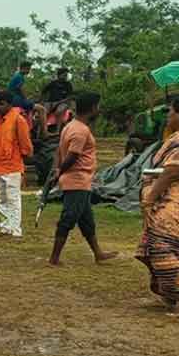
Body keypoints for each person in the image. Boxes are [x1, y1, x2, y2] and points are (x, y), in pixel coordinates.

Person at [136, 94, 179, 318]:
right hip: (167, 199)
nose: (167, 116)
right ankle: (169, 292)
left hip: (174, 200)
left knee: (161, 246)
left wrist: (150, 198)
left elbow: (174, 169)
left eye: (170, 111)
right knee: (149, 246)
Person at [49, 93, 119, 267]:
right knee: (69, 218)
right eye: (98, 106)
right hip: (77, 181)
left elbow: (58, 151)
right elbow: (73, 155)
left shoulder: (70, 126)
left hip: (81, 181)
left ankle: (98, 253)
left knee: (87, 220)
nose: (99, 110)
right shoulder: (81, 130)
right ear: (93, 108)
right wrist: (59, 171)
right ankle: (54, 259)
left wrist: (57, 169)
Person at [0, 90, 34, 237]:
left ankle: (15, 229)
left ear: (9, 104)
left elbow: (25, 143)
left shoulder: (18, 120)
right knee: (2, 199)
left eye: (2, 104)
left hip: (12, 165)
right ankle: (5, 227)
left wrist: (23, 156)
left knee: (13, 198)